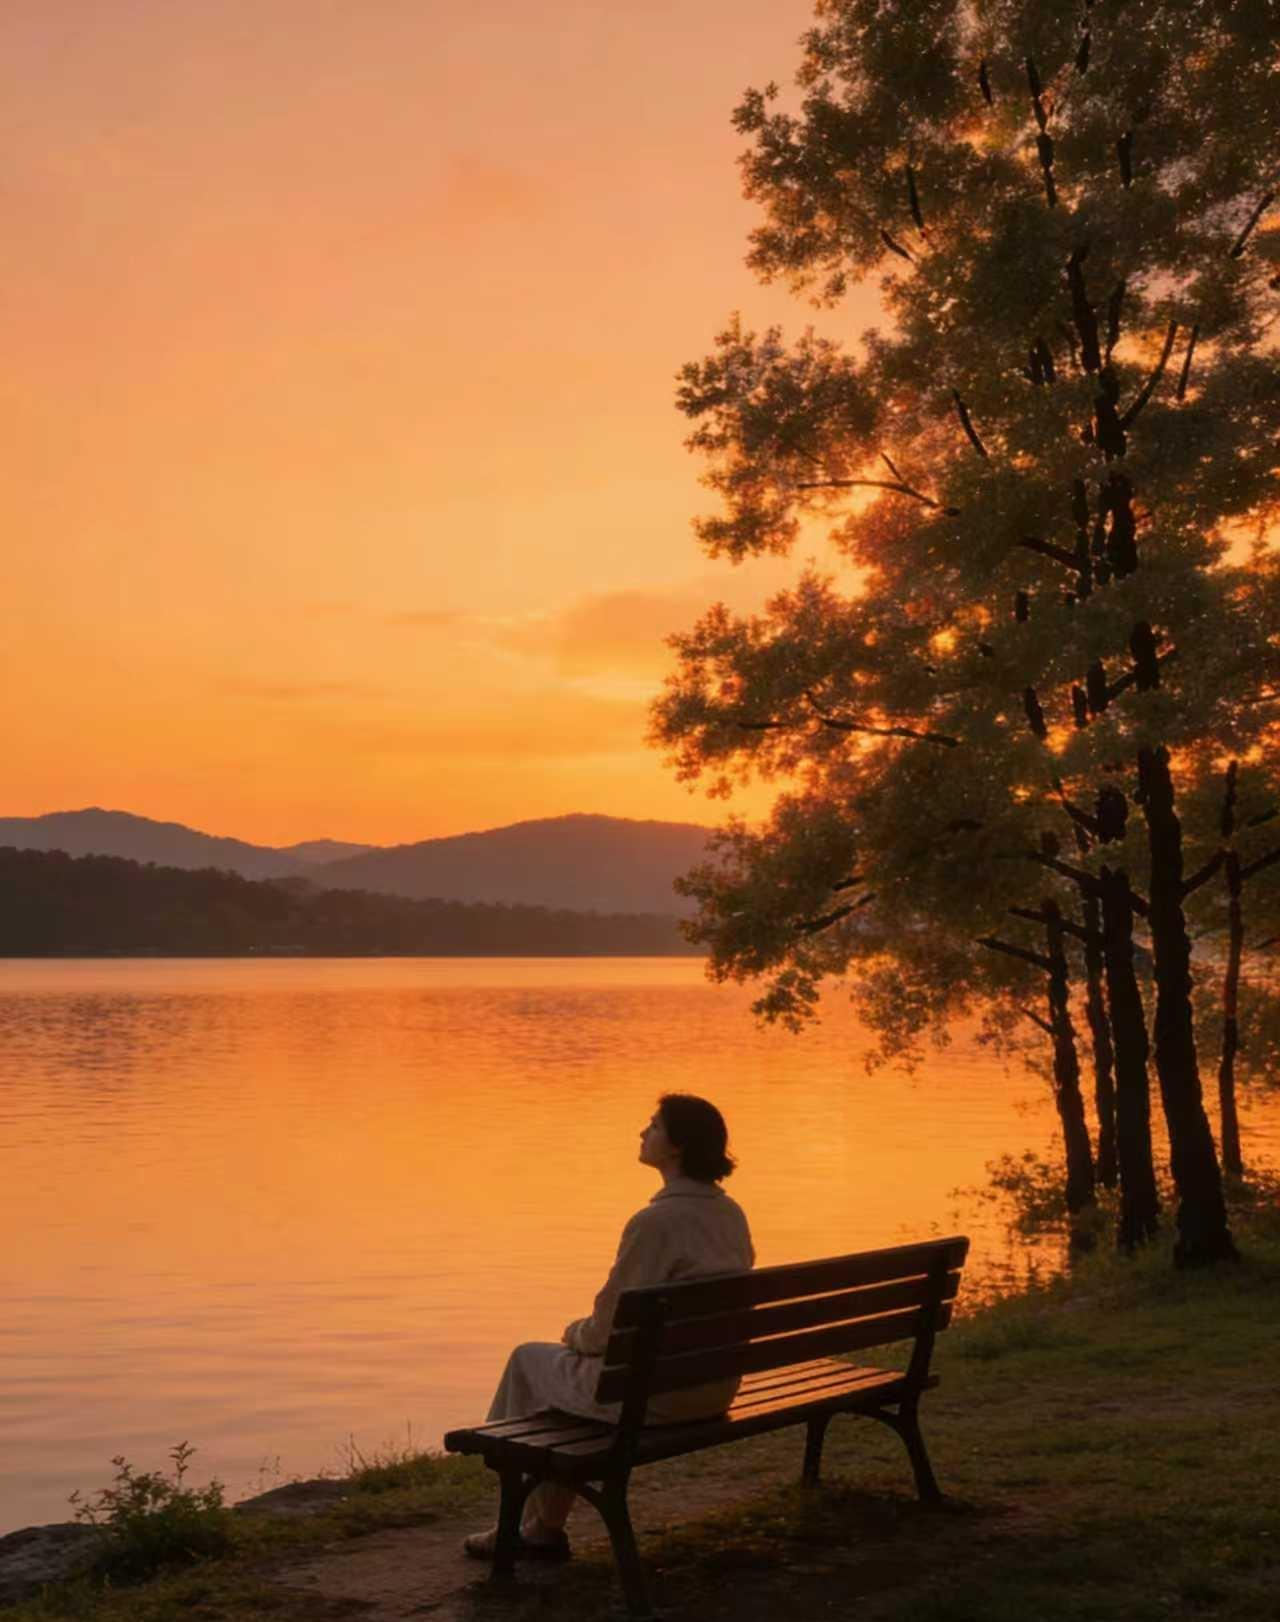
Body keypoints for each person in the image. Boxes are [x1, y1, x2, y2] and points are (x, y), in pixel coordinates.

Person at [463, 1092, 753, 1562]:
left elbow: (603, 1332)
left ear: (676, 1146)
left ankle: (520, 1526)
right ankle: (543, 1526)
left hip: (654, 1399)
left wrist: (572, 1334)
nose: (643, 1132)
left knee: (527, 1361)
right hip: (713, 1388)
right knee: (563, 1381)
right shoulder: (729, 1213)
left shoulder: (655, 1222)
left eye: (653, 1125)